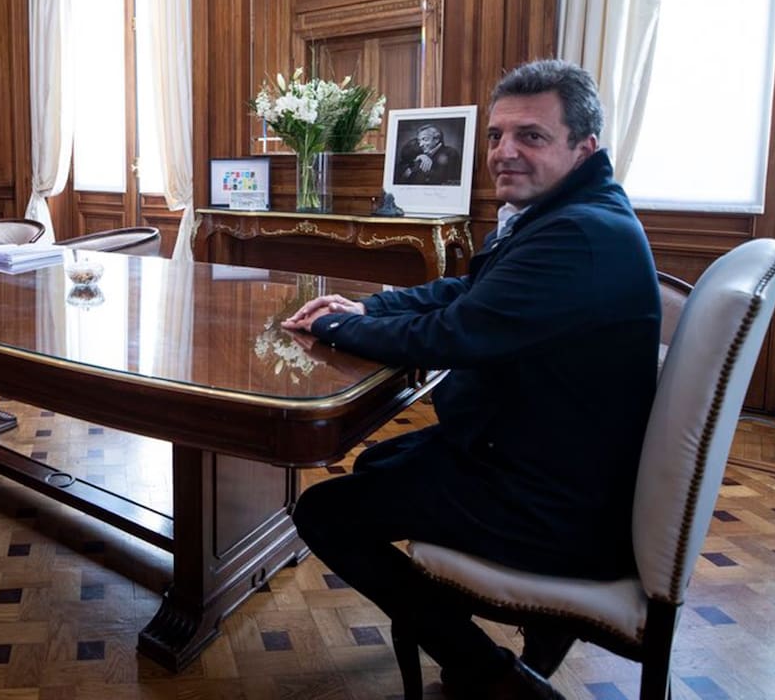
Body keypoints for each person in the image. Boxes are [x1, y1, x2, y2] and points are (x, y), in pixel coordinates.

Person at [282, 59, 660, 700]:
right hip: (546, 456)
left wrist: (334, 330)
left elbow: (453, 333)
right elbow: (469, 291)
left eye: (531, 136)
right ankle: (472, 638)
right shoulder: (575, 212)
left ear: (583, 147)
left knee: (324, 511)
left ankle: (492, 676)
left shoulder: (579, 236)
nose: (504, 152)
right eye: (495, 135)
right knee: (378, 470)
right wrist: (368, 307)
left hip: (552, 504)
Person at [395, 124, 462, 185]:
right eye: (419, 141)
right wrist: (418, 159)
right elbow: (403, 177)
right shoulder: (418, 153)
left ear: (436, 139)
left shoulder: (451, 153)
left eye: (425, 139)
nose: (421, 144)